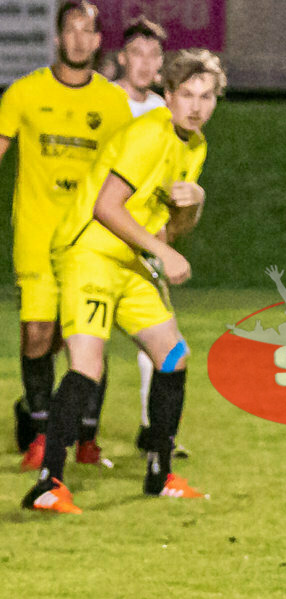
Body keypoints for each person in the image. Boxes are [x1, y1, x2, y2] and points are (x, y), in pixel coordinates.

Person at [20, 48, 227, 514]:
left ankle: (160, 474)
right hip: (89, 253)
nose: (196, 106)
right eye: (187, 94)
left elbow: (170, 228)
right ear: (167, 95)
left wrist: (194, 203)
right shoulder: (149, 134)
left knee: (172, 356)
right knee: (87, 366)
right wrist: (163, 253)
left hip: (128, 259)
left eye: (206, 96)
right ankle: (48, 484)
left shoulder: (195, 146)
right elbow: (105, 207)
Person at [0, 1, 132, 471]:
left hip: (89, 240)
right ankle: (39, 435)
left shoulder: (113, 103)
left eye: (87, 31)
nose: (78, 39)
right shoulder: (23, 92)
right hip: (37, 235)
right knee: (38, 335)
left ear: (97, 40)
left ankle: (87, 439)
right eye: (70, 29)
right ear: (57, 38)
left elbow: (130, 170)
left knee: (85, 336)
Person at [112, 16, 191, 459]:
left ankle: (153, 431)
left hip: (144, 241)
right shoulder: (104, 102)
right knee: (77, 341)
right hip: (98, 237)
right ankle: (73, 435)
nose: (144, 63)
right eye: (136, 53)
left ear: (162, 64)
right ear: (121, 58)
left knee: (159, 339)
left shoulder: (165, 110)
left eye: (153, 55)